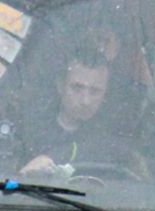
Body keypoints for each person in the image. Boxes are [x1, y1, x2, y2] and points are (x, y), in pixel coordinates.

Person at [19, 45, 142, 178]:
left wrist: (52, 158)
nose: (85, 100)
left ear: (105, 94)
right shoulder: (30, 132)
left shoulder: (115, 138)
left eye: (95, 91)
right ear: (60, 86)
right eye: (77, 88)